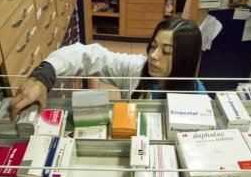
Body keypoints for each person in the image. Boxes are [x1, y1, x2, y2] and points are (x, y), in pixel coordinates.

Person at [10, 17, 204, 120]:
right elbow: (87, 55)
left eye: (166, 51)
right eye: (153, 46)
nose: (153, 55)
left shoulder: (199, 98)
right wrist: (42, 76)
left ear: (184, 59)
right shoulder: (135, 68)